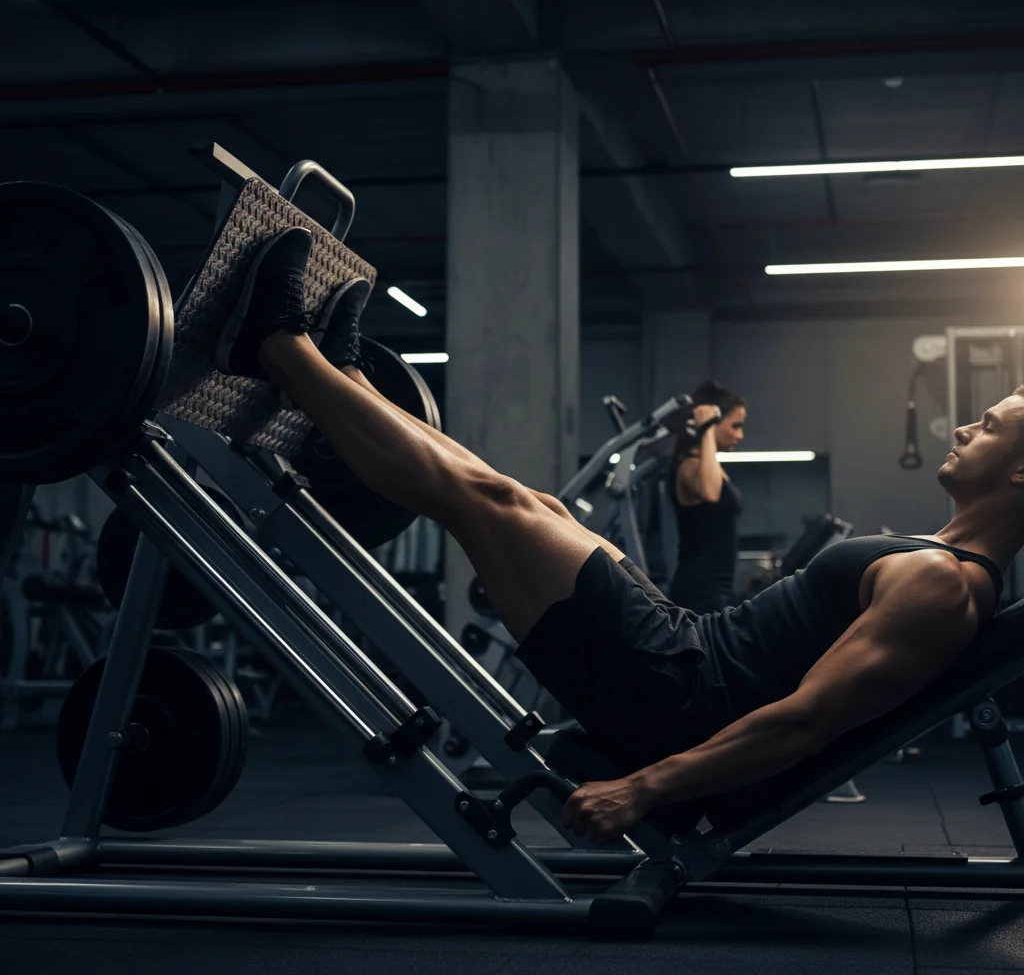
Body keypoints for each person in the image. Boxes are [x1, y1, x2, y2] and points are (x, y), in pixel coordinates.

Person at [216, 228, 1017, 846]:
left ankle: (279, 347)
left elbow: (808, 722)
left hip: (674, 692)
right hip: (681, 649)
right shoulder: (943, 565)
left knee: (485, 499)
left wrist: (644, 790)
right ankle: (344, 376)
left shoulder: (944, 585)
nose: (972, 423)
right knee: (524, 499)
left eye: (995, 425)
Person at [668, 381, 747, 613]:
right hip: (699, 593)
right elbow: (711, 493)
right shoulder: (690, 465)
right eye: (735, 426)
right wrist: (707, 429)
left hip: (716, 590)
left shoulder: (709, 465)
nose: (740, 435)